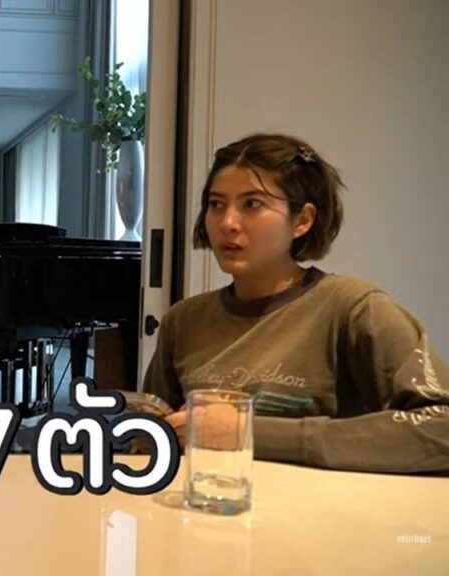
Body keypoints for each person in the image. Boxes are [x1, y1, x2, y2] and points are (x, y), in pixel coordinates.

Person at [144, 133, 449, 474]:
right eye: (216, 204)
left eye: (252, 204)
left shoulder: (353, 308)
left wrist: (244, 431)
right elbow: (151, 438)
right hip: (203, 503)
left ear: (302, 220)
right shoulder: (184, 321)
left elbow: (441, 429)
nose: (227, 223)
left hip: (320, 507)